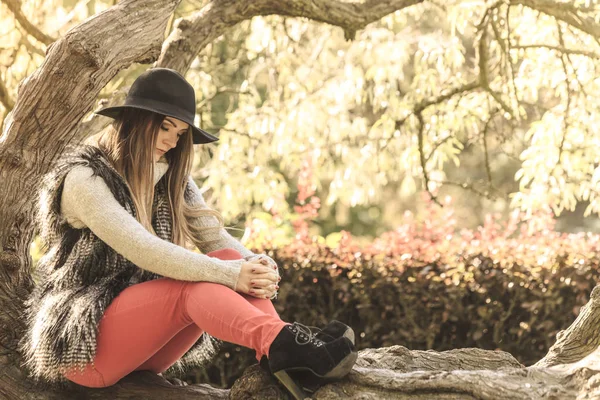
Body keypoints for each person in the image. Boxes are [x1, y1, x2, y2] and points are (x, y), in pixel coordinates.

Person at [18, 68, 357, 399]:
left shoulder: (171, 177)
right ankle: (289, 346)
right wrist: (232, 273)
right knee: (195, 286)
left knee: (226, 259)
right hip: (83, 345)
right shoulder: (84, 178)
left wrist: (256, 263)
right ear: (134, 120)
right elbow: (141, 247)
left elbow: (217, 240)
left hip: (143, 346)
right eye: (165, 126)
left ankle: (284, 364)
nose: (171, 140)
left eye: (179, 133)